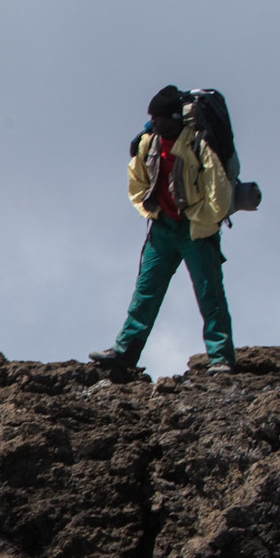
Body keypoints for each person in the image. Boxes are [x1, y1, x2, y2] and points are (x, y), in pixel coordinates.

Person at [88, 85, 237, 377]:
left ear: (172, 117)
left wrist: (200, 222)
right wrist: (153, 211)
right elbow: (137, 180)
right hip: (164, 228)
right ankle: (125, 351)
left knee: (209, 294)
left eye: (157, 118)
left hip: (196, 230)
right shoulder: (149, 142)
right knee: (146, 291)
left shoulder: (198, 142)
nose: (152, 123)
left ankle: (221, 357)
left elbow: (218, 193)